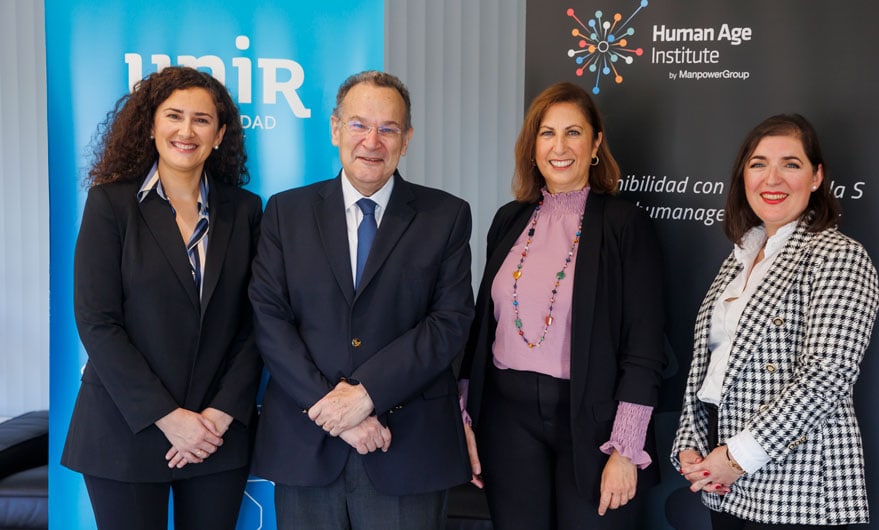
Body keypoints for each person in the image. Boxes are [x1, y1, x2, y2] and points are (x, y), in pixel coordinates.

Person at [249, 70, 475, 530]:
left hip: (406, 447)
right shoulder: (285, 212)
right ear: (335, 129)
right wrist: (332, 410)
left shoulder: (446, 215)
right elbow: (269, 318)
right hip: (306, 446)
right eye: (359, 124)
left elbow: (449, 322)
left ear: (406, 139)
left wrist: (367, 394)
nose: (372, 141)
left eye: (388, 128)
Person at [61, 66, 263, 530]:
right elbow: (97, 321)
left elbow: (258, 323)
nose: (186, 131)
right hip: (124, 429)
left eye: (202, 119)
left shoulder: (246, 212)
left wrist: (216, 415)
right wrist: (168, 417)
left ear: (220, 134)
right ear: (151, 125)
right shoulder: (110, 204)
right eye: (174, 116)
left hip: (216, 433)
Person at [458, 81, 667, 529]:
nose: (560, 146)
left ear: (595, 143)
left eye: (573, 133)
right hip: (506, 420)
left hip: (592, 427)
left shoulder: (623, 223)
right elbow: (481, 329)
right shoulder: (509, 219)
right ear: (532, 146)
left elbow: (644, 346)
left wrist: (626, 448)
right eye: (547, 133)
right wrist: (466, 417)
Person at [671, 114, 879, 529]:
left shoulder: (837, 255)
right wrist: (690, 443)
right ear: (742, 176)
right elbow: (710, 365)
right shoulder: (741, 258)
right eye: (758, 163)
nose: (772, 178)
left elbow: (827, 376)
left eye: (791, 163)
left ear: (817, 177)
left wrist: (736, 457)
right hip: (726, 481)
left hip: (796, 483)